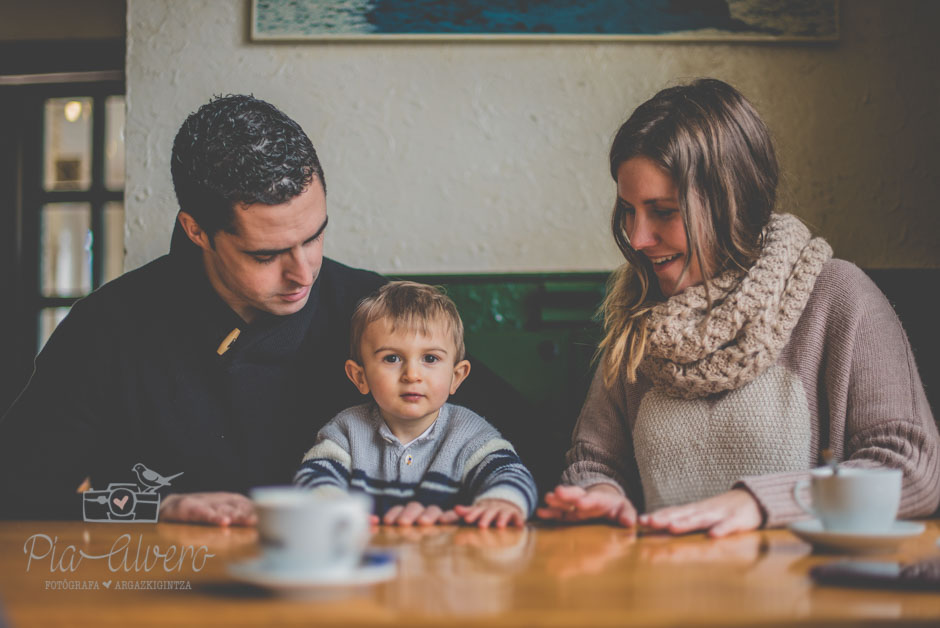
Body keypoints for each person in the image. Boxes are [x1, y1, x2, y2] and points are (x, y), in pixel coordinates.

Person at [0, 94, 521, 525]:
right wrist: (155, 507)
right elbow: (20, 493)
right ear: (196, 231)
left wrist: (456, 511)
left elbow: (520, 447)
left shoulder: (376, 313)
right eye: (265, 255)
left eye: (314, 237)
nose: (304, 273)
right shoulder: (109, 328)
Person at [538, 78, 939, 537]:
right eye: (628, 210)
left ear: (731, 201)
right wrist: (600, 496)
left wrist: (759, 503)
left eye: (663, 211)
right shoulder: (636, 315)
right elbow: (595, 464)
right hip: (660, 598)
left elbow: (910, 467)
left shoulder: (838, 299)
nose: (637, 237)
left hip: (810, 601)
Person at [295, 281, 537, 528]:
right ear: (361, 377)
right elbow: (314, 478)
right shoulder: (346, 431)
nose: (412, 374)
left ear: (456, 377)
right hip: (368, 557)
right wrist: (330, 508)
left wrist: (501, 502)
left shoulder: (469, 434)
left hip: (450, 559)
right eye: (392, 358)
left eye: (430, 358)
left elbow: (510, 474)